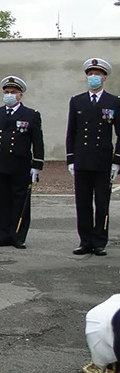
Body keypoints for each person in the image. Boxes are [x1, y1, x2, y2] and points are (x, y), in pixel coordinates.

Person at [66, 57, 120, 256]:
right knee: (83, 203)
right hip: (82, 159)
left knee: (102, 203)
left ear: (104, 77)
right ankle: (85, 241)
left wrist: (117, 161)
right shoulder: (77, 101)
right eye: (90, 74)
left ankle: (99, 242)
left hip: (103, 161)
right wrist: (71, 159)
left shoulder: (114, 101)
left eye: (97, 74)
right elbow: (71, 132)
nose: (93, 77)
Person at [0, 75, 44, 249]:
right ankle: (2, 235)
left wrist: (37, 166)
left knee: (20, 201)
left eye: (13, 92)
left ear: (20, 95)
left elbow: (37, 142)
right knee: (1, 201)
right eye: (7, 92)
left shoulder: (31, 115)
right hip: (0, 163)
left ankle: (18, 235)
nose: (9, 95)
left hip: (20, 164)